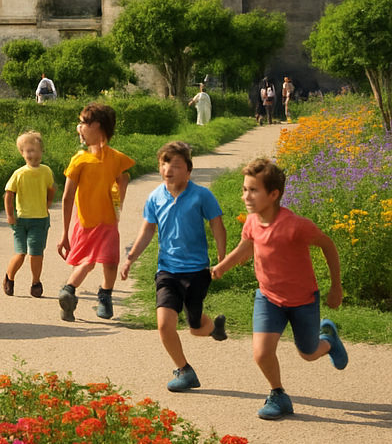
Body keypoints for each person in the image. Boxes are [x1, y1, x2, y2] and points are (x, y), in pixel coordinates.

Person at [211, 157, 347, 420]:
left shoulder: (296, 226)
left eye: (253, 190)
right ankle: (278, 395)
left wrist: (336, 287)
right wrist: (222, 267)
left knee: (308, 353)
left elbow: (328, 245)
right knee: (262, 353)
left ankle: (329, 342)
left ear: (273, 194)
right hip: (268, 298)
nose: (246, 196)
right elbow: (245, 247)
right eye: (244, 189)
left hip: (303, 300)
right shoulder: (252, 221)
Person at [120, 141, 228, 392]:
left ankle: (214, 328)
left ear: (188, 171)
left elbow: (217, 224)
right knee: (164, 324)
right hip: (167, 270)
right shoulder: (155, 197)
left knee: (196, 328)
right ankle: (185, 370)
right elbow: (147, 230)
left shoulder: (202, 195)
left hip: (197, 271)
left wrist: (222, 258)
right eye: (164, 163)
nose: (168, 169)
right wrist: (130, 258)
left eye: (176, 165)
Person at [56, 103, 134, 321]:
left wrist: (119, 198)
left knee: (110, 261)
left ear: (97, 125)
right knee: (87, 262)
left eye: (83, 122)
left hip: (108, 222)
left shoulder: (116, 158)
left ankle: (104, 296)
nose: (79, 127)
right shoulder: (79, 160)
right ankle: (68, 292)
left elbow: (122, 179)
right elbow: (67, 197)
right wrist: (64, 234)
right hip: (85, 223)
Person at [3, 131, 55, 298]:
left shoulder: (46, 171)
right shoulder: (19, 174)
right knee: (20, 253)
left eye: (37, 150)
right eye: (29, 151)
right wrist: (10, 215)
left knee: (36, 253)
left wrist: (47, 204)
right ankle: (9, 277)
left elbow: (51, 188)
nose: (34, 154)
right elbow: (9, 194)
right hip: (20, 220)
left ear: (42, 151)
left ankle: (35, 283)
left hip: (40, 220)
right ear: (22, 153)